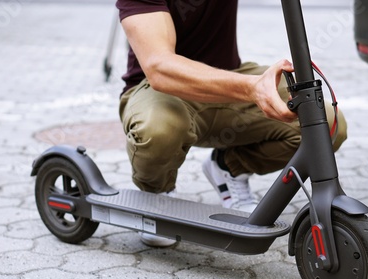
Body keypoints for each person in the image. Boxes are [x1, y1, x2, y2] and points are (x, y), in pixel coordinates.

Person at [115, 0, 347, 247]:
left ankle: (228, 168)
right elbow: (159, 68)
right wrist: (252, 89)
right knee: (158, 130)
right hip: (159, 90)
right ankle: (157, 193)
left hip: (228, 77)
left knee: (327, 125)